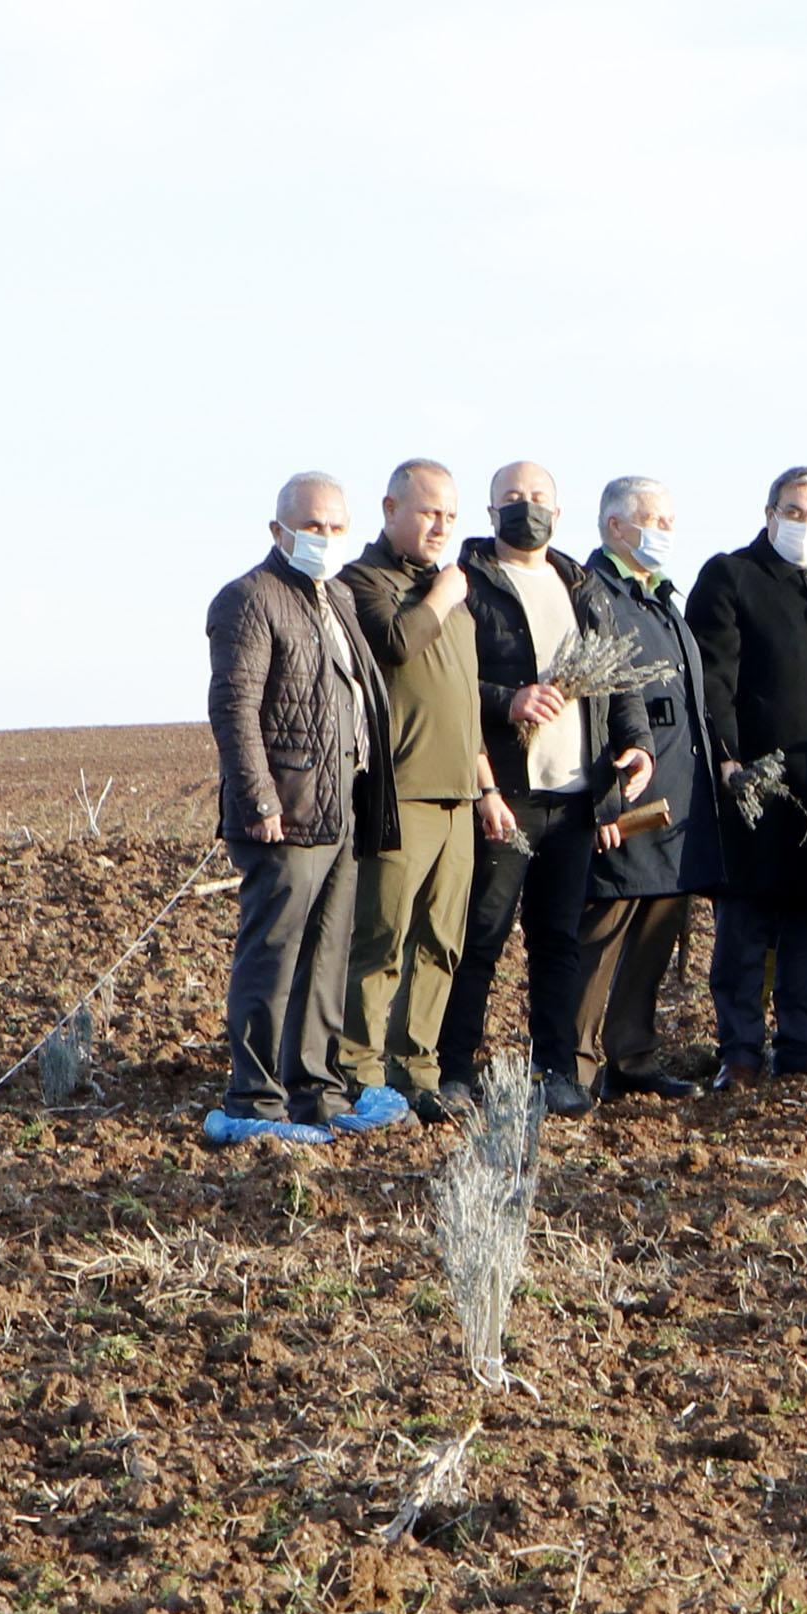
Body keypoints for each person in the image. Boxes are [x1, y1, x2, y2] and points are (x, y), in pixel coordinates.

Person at [447, 462, 652, 1116]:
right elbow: (447, 683)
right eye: (511, 498)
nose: (524, 508)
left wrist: (637, 745)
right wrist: (507, 702)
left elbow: (619, 677)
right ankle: (454, 1070)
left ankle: (556, 1072)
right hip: (506, 794)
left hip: (574, 798)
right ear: (490, 513)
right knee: (482, 933)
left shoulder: (583, 587)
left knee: (557, 940)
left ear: (557, 514)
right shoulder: (468, 585)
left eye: (537, 499)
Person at [203, 471, 385, 1144]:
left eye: (337, 527)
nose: (326, 538)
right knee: (273, 957)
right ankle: (256, 1096)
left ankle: (319, 1092)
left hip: (341, 809)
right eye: (313, 526)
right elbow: (233, 707)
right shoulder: (250, 599)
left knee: (327, 957)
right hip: (285, 812)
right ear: (278, 530)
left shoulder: (334, 595)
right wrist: (258, 798)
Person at [686, 468, 807, 1084]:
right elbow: (712, 678)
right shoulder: (732, 577)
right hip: (756, 785)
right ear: (769, 513)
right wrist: (727, 756)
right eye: (793, 511)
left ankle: (803, 1049)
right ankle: (739, 1053)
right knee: (745, 928)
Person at [334, 460, 493, 1127]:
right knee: (381, 937)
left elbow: (466, 701)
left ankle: (417, 1070)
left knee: (440, 941)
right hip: (399, 794)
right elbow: (394, 644)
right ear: (391, 507)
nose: (441, 527)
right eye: (429, 512)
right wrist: (443, 598)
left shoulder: (451, 595)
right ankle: (359, 1072)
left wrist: (485, 784)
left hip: (458, 794)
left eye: (452, 516)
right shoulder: (363, 582)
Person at [570, 480, 709, 1101]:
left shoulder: (663, 601)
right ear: (614, 527)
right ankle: (573, 1065)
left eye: (671, 520)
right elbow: (590, 700)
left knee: (654, 935)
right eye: (653, 519)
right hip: (621, 797)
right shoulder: (593, 595)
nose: (666, 531)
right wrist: (603, 795)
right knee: (601, 937)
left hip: (675, 801)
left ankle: (633, 1057)